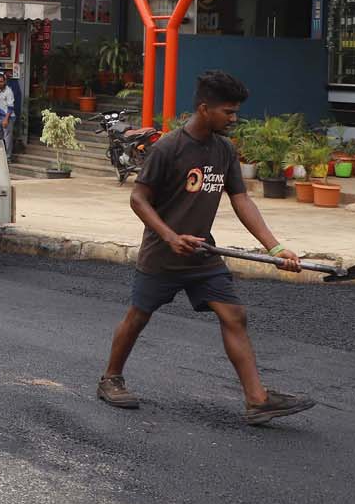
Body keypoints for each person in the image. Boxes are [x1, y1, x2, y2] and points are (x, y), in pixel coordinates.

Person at [97, 70, 316, 426]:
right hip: (163, 255)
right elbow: (138, 199)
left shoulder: (223, 149)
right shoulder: (168, 148)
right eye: (228, 112)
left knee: (234, 315)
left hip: (203, 254)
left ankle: (257, 400)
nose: (234, 118)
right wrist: (171, 237)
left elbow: (241, 200)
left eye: (235, 112)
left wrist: (275, 249)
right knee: (138, 316)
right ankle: (110, 378)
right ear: (204, 109)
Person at [0, 70, 16, 149]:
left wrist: (6, 119)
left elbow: (11, 107)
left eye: (1, 81)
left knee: (7, 138)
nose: (0, 84)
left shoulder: (8, 92)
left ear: (5, 81)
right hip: (1, 118)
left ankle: (8, 156)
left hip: (8, 118)